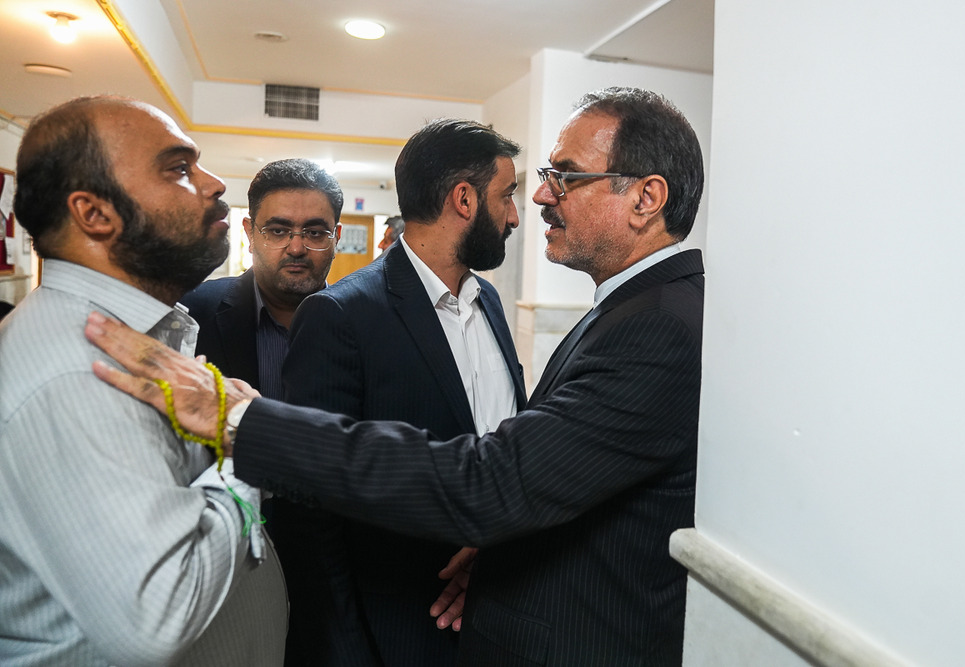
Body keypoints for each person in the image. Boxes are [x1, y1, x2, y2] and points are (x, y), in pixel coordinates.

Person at [86, 86, 705, 666]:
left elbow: (495, 477)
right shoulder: (631, 311)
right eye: (528, 185)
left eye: (564, 176)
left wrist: (243, 420)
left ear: (645, 199)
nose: (540, 199)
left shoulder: (653, 325)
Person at [0, 96, 286, 665]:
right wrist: (248, 450)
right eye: (178, 169)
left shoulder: (132, 336)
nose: (213, 184)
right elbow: (159, 615)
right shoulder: (78, 374)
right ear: (95, 214)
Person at [277, 119, 526, 666]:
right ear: (464, 199)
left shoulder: (487, 303)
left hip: (497, 616)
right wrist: (345, 651)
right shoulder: (342, 315)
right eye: (506, 195)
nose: (513, 216)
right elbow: (309, 508)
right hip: (395, 634)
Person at [180, 158, 343, 400]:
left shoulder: (364, 321)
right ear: (250, 233)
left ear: (336, 237)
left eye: (314, 233)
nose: (296, 248)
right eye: (278, 231)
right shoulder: (192, 313)